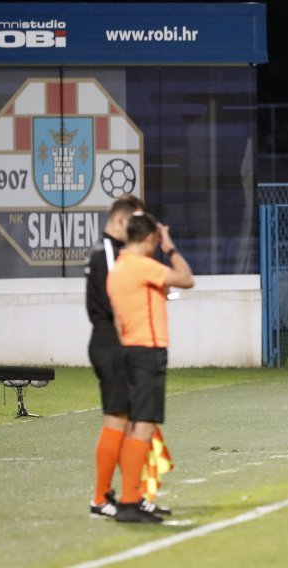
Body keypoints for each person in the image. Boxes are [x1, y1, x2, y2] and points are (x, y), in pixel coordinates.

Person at [106, 212, 195, 522]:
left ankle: (130, 500)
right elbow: (186, 278)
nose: (157, 247)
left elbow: (119, 318)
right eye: (156, 242)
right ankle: (131, 502)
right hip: (147, 353)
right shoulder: (142, 265)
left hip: (129, 350)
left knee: (134, 427)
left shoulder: (118, 268)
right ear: (148, 239)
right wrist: (170, 247)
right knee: (142, 426)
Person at [85, 195, 144, 519]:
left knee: (127, 419)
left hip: (111, 340)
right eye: (133, 224)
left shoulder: (108, 249)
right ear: (120, 221)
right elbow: (115, 297)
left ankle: (130, 495)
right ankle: (101, 498)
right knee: (117, 419)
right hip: (111, 341)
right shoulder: (107, 250)